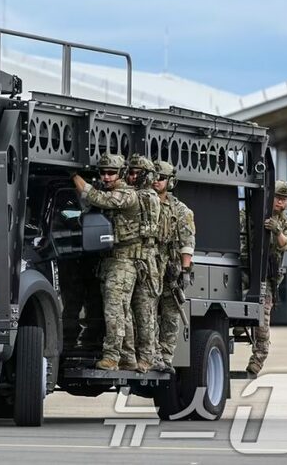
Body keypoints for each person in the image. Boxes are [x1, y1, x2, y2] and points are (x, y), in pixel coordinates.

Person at [72, 154, 141, 371]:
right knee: (122, 311)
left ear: (120, 173)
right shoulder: (107, 192)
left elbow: (98, 199)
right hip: (109, 262)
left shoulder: (127, 195)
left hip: (124, 262)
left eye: (111, 172)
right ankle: (128, 357)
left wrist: (74, 176)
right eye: (102, 172)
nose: (106, 177)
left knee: (114, 310)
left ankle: (112, 357)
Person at [241, 180, 287, 376]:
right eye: (278, 198)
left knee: (262, 324)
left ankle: (257, 360)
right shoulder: (249, 214)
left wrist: (277, 231)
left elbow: (286, 244)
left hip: (266, 277)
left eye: (284, 199)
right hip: (244, 270)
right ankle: (240, 323)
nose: (280, 203)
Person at [152, 160, 195, 373]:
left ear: (170, 181)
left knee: (170, 314)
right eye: (153, 176)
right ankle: (153, 356)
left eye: (160, 177)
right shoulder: (144, 202)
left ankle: (166, 355)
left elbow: (187, 242)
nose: (156, 181)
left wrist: (184, 271)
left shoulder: (181, 210)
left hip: (171, 268)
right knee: (147, 312)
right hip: (149, 266)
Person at [122, 154, 162, 373]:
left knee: (145, 312)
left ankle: (146, 357)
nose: (132, 177)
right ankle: (133, 356)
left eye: (137, 173)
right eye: (131, 172)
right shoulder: (138, 194)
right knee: (127, 311)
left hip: (145, 260)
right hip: (136, 259)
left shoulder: (146, 196)